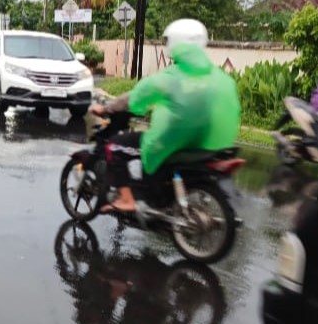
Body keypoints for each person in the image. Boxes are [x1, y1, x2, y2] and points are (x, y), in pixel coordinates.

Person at [90, 19, 241, 215]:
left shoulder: (170, 78)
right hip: (208, 146)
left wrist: (106, 108)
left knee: (115, 146)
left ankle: (127, 200)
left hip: (171, 142)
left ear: (175, 42)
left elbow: (134, 98)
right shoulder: (221, 78)